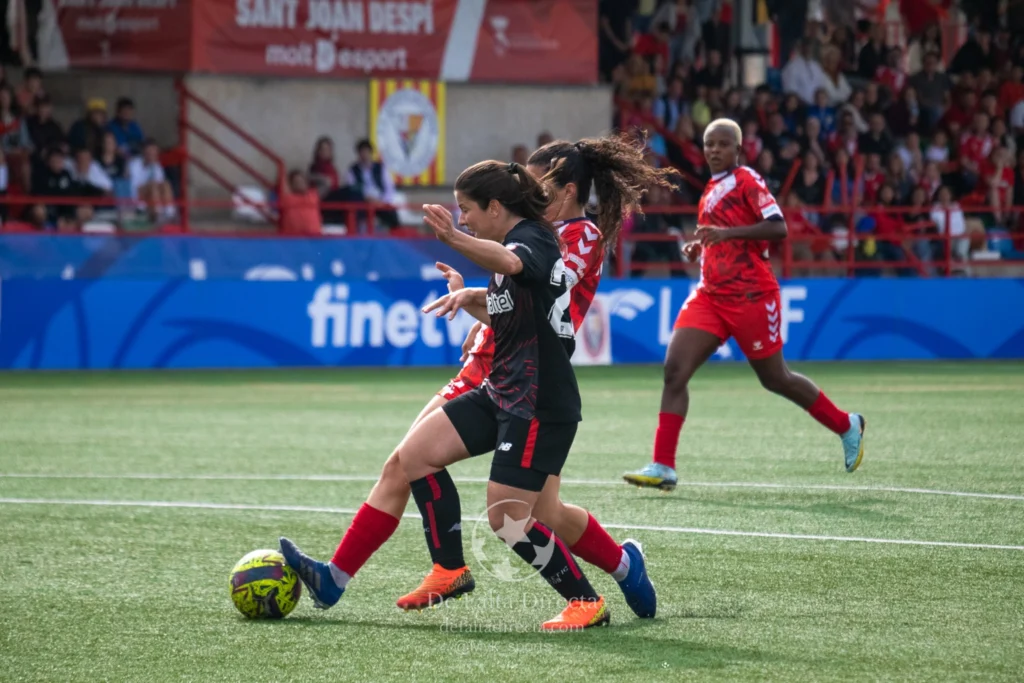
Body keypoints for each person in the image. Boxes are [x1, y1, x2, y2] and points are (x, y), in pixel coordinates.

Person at [279, 135, 675, 628]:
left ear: (567, 191)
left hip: (528, 380)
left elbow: (534, 277)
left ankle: (589, 586)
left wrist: (466, 254)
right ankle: (357, 576)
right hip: (502, 370)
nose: (530, 192)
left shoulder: (560, 236)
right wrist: (478, 304)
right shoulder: (525, 235)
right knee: (419, 462)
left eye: (539, 184)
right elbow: (519, 286)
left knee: (514, 511)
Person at [623, 119, 865, 492]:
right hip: (710, 295)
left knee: (775, 378)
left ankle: (845, 424)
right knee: (674, 370)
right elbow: (718, 236)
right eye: (709, 144)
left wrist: (726, 234)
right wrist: (701, 246)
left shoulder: (747, 180)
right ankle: (663, 465)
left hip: (752, 296)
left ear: (738, 150)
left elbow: (778, 227)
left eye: (722, 144)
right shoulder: (711, 188)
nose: (714, 150)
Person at [348, 139, 399, 231]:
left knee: (392, 214)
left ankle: (395, 238)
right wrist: (366, 198)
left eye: (366, 152)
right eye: (362, 152)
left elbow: (389, 188)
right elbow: (352, 189)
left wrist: (381, 201)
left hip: (380, 202)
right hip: (363, 203)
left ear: (371, 153)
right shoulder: (353, 170)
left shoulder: (381, 168)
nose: (364, 155)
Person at [128, 139, 175, 221]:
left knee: (166, 184)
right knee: (153, 186)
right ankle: (157, 214)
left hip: (153, 194)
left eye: (154, 152)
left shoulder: (157, 166)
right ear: (144, 152)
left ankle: (170, 213)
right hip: (137, 195)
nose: (152, 154)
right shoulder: (134, 164)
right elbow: (133, 187)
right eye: (149, 152)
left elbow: (160, 185)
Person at [279, 169, 322, 235]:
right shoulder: (287, 198)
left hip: (314, 237)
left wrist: (309, 176)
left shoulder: (313, 194)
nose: (300, 183)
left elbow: (326, 182)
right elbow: (282, 185)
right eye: (296, 182)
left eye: (302, 181)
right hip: (293, 238)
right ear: (291, 184)